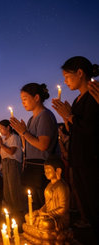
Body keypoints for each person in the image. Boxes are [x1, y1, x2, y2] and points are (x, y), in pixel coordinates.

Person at [52, 56, 99, 240]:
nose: (65, 81)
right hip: (78, 157)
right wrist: (66, 117)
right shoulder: (78, 100)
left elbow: (90, 129)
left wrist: (70, 116)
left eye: (67, 76)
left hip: (91, 158)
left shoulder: (94, 96)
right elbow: (74, 131)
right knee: (86, 203)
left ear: (80, 73)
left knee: (95, 202)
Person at [10, 83, 58, 210]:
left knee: (44, 204)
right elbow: (28, 145)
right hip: (32, 165)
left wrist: (24, 132)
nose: (23, 103)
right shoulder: (32, 119)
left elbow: (43, 145)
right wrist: (22, 134)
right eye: (22, 100)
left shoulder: (45, 116)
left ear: (36, 97)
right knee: (34, 205)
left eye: (25, 99)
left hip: (42, 167)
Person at [0, 120, 24, 220]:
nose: (1, 130)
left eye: (2, 128)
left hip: (13, 164)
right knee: (7, 188)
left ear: (8, 128)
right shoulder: (4, 140)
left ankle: (18, 211)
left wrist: (1, 144)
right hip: (5, 164)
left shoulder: (14, 137)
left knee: (13, 187)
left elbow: (11, 151)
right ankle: (9, 210)